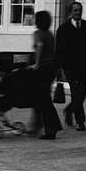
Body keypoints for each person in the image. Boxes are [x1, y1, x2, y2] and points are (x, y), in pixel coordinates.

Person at [55, 1, 86, 131]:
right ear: (70, 12)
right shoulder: (63, 29)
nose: (78, 13)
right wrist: (62, 66)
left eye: (79, 10)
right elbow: (59, 49)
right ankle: (80, 121)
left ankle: (69, 110)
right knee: (75, 92)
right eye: (75, 10)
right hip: (71, 67)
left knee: (82, 92)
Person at [30, 10, 61, 140]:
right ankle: (39, 124)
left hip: (42, 68)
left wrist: (36, 64)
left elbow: (39, 46)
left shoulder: (38, 33)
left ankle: (51, 127)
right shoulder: (50, 34)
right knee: (43, 97)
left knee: (43, 100)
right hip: (51, 68)